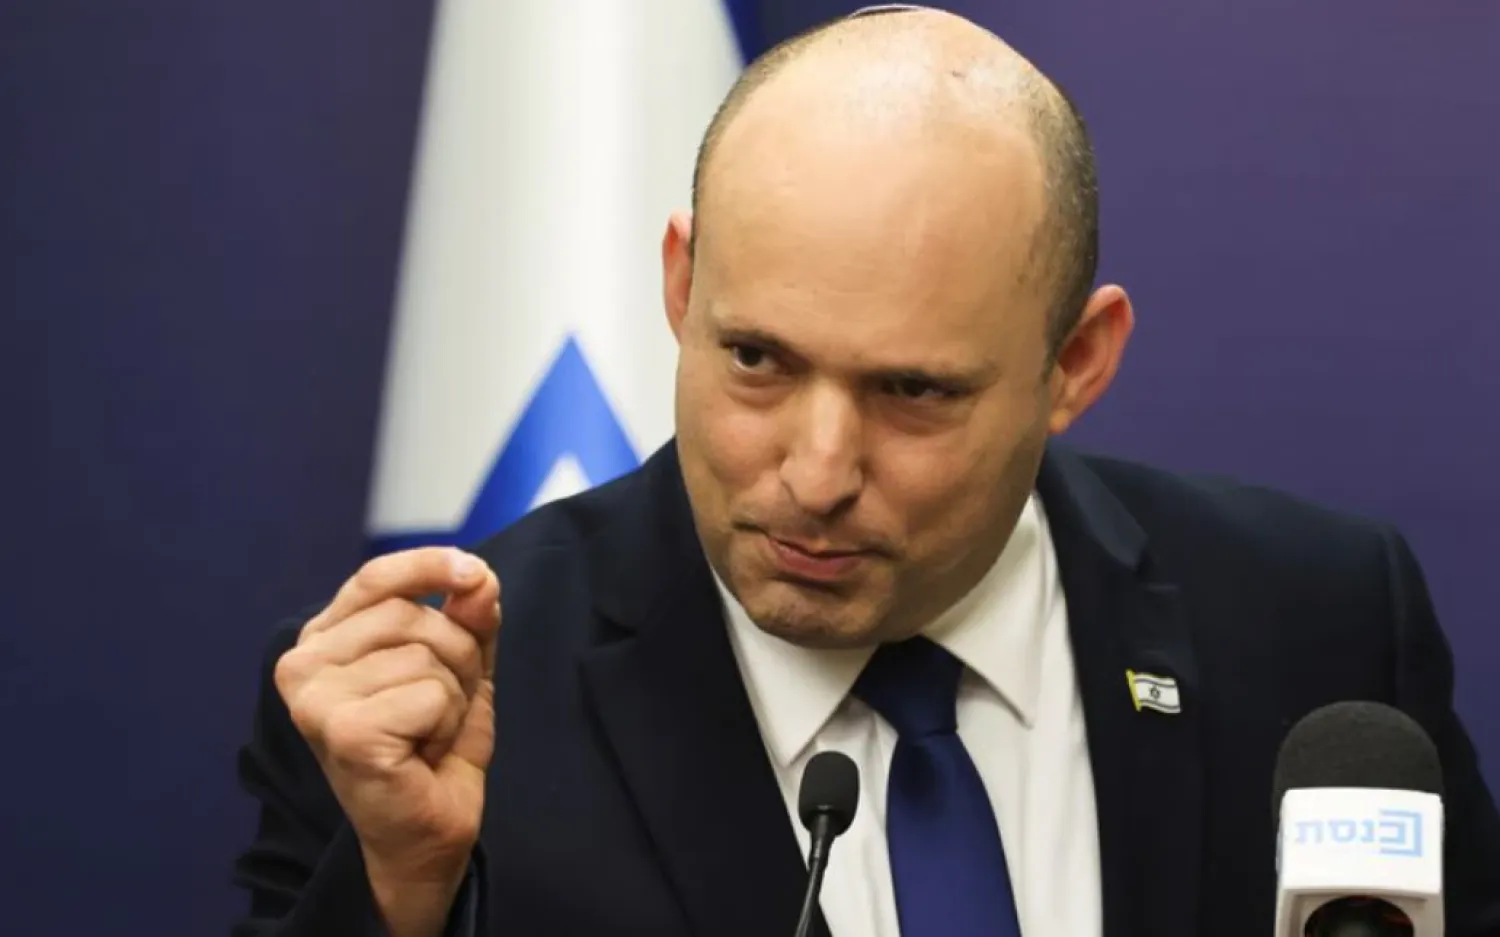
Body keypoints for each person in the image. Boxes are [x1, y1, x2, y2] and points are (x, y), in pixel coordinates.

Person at [231, 7, 1500, 937]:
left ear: (1077, 359)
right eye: (758, 358)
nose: (817, 469)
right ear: (680, 286)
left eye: (914, 391)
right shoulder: (441, 714)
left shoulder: (1319, 625)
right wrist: (399, 894)